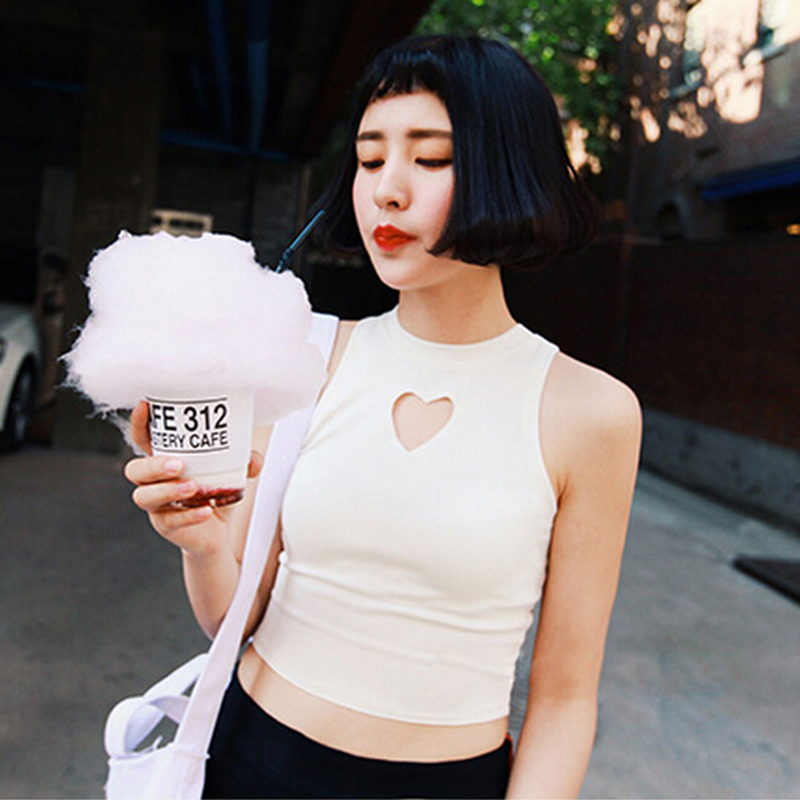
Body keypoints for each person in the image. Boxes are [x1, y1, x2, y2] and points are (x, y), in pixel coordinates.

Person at [124, 34, 642, 799]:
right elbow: (234, 615)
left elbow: (566, 697)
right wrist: (201, 541)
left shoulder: (592, 412)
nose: (386, 191)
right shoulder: (297, 355)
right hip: (251, 761)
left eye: (430, 158)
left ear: (510, 168)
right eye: (369, 159)